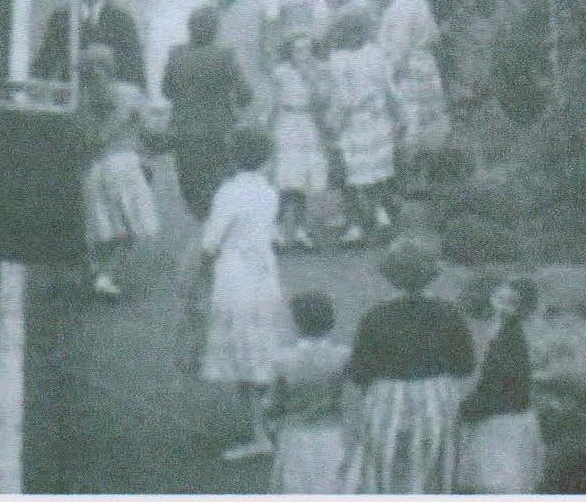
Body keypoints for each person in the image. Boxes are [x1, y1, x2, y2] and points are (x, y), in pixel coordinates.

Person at [341, 234, 476, 493]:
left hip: (388, 399)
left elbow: (358, 372)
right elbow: (465, 365)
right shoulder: (449, 314)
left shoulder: (376, 316)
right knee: (434, 471)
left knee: (388, 469)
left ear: (390, 275)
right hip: (436, 397)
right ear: (432, 273)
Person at [197, 124, 292, 463]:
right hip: (265, 276)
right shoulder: (268, 191)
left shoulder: (228, 192)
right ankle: (266, 419)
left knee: (243, 354)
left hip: (234, 278)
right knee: (262, 347)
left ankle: (259, 435)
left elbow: (210, 243)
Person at [77, 47, 160, 299]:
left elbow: (82, 138)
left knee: (104, 227)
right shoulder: (131, 93)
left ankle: (97, 270)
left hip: (96, 168)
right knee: (130, 227)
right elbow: (150, 131)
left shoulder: (83, 99)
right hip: (125, 165)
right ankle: (106, 276)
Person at [457, 274, 546, 492]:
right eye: (500, 299)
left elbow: (503, 386)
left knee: (500, 483)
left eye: (511, 302)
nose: (503, 306)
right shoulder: (505, 334)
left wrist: (467, 408)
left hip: (503, 423)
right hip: (508, 416)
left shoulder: (510, 338)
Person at [162, 5, 252, 220]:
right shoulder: (225, 55)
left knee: (191, 187)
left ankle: (200, 229)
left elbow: (166, 91)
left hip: (184, 131)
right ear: (215, 30)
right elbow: (245, 93)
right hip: (219, 131)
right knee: (219, 187)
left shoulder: (176, 54)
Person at [322, 3, 400, 243]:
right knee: (377, 170)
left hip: (354, 122)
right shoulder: (376, 54)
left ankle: (355, 224)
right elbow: (390, 89)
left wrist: (334, 128)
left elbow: (344, 100)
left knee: (351, 173)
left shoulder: (339, 60)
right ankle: (381, 215)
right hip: (377, 120)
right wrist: (397, 117)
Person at [269, 291, 351, 493]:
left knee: (297, 484)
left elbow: (274, 402)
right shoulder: (343, 356)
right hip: (332, 431)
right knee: (333, 483)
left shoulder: (283, 360)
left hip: (295, 434)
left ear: (296, 324)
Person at [31, 0, 142, 86]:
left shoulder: (122, 21)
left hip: (106, 98)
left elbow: (135, 69)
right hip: (69, 95)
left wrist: (107, 58)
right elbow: (44, 63)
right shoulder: (62, 18)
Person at [381, 0, 452, 194]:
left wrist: (391, 74)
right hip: (426, 65)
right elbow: (435, 36)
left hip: (409, 69)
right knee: (429, 118)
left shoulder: (399, 7)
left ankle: (410, 181)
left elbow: (400, 48)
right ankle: (426, 174)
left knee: (409, 120)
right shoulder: (420, 2)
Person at [271, 35, 329, 251]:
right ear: (290, 52)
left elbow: (322, 102)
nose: (303, 55)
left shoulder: (319, 72)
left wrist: (311, 79)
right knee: (285, 181)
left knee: (304, 181)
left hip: (307, 126)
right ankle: (275, 229)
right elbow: (275, 103)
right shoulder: (281, 73)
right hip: (286, 125)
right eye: (298, 50)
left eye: (307, 50)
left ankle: (300, 230)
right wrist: (270, 128)